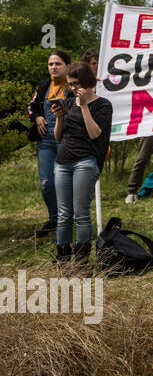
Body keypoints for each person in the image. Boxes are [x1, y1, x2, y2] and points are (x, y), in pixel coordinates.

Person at [51, 61, 113, 262]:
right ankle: (63, 259)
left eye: (76, 83)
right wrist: (60, 117)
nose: (73, 88)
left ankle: (81, 260)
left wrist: (84, 106)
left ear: (87, 82)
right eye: (70, 84)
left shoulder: (103, 104)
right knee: (63, 215)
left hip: (85, 161)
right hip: (63, 161)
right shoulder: (68, 103)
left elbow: (95, 134)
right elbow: (59, 137)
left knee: (81, 213)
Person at [27, 49, 72, 236]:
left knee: (65, 183)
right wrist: (37, 117)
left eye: (58, 63)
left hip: (67, 140)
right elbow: (31, 106)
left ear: (67, 66)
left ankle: (67, 220)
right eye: (50, 64)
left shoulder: (73, 84)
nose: (53, 67)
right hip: (45, 140)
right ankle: (54, 220)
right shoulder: (44, 85)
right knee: (47, 183)